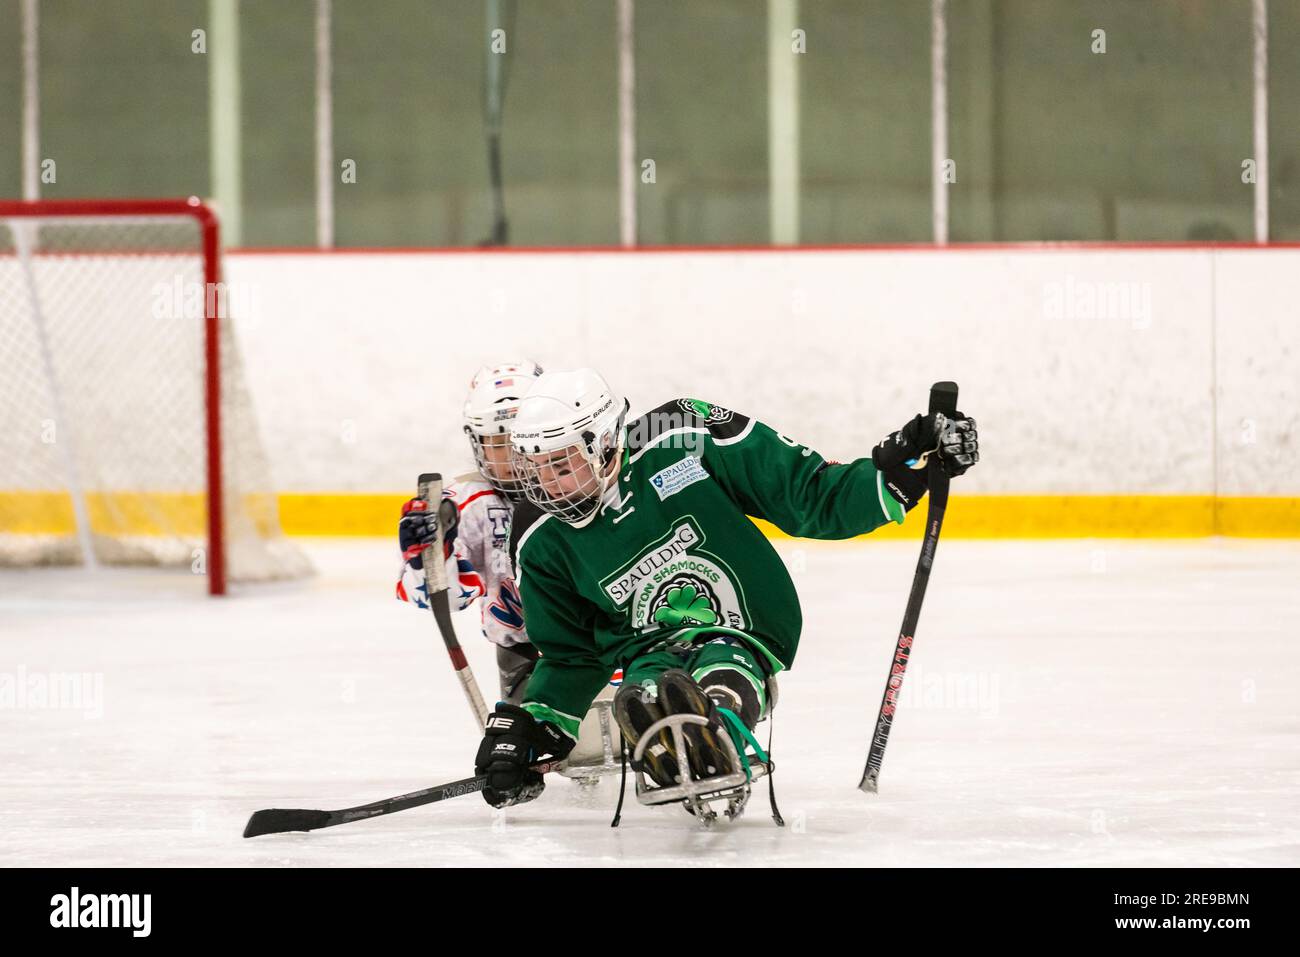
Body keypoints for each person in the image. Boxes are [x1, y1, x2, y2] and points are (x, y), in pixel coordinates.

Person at [473, 368, 979, 809]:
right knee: (645, 694)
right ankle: (675, 747)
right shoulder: (537, 535)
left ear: (605, 443)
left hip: (744, 623)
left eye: (562, 466)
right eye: (535, 470)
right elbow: (572, 655)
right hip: (646, 648)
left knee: (722, 664)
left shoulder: (683, 433)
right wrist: (532, 728)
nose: (548, 487)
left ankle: (719, 729)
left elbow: (807, 494)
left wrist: (903, 470)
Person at [396, 361, 543, 703]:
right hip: (527, 656)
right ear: (477, 444)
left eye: (520, 439)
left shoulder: (584, 483)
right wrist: (428, 557)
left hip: (606, 644)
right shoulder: (469, 503)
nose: (513, 456)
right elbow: (441, 598)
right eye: (498, 443)